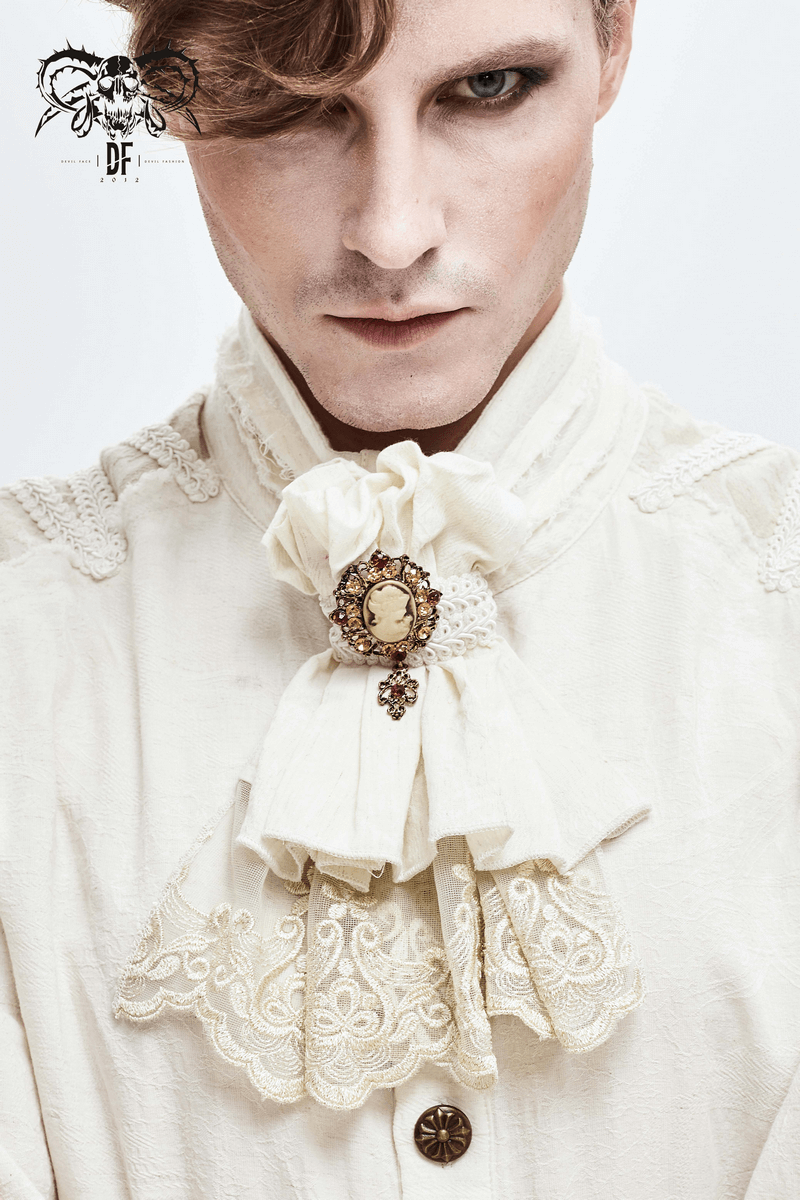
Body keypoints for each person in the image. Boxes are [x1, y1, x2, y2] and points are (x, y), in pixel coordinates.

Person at [1, 0, 798, 1196]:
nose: (391, 232)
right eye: (294, 104)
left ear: (613, 42)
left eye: (486, 90)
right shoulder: (28, 637)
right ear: (166, 89)